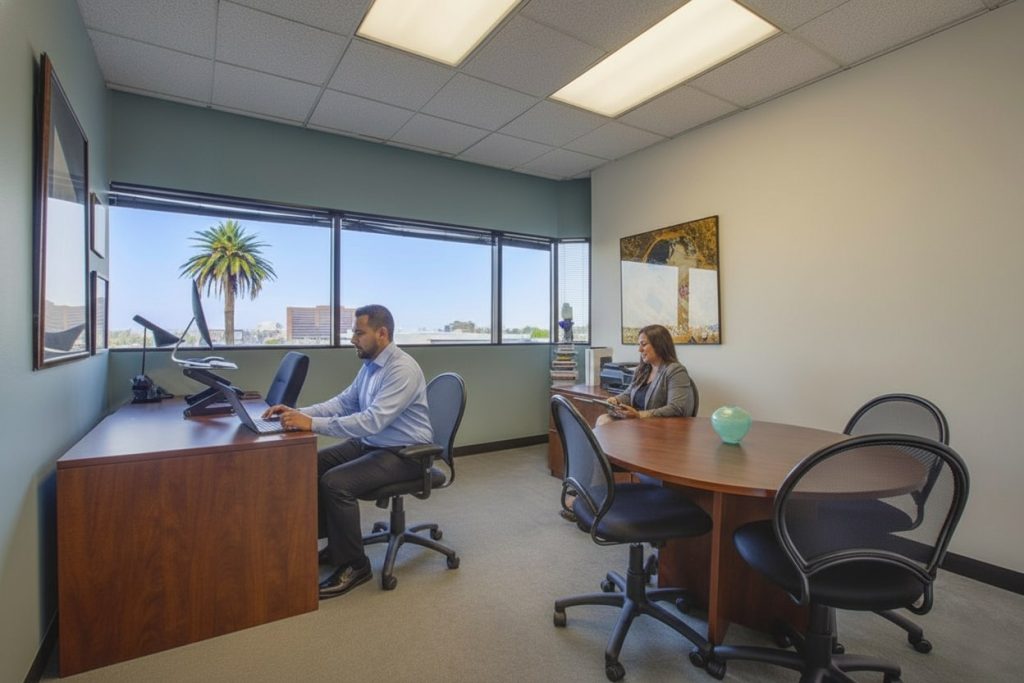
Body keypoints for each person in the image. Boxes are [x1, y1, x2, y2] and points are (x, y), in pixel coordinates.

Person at [263, 305, 433, 599]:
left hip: (406, 453)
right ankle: (337, 547)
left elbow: (372, 420)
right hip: (374, 442)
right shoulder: (370, 365)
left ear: (382, 334)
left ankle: (355, 565)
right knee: (312, 466)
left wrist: (311, 424)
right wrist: (297, 413)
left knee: (336, 482)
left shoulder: (401, 370)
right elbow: (343, 403)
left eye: (358, 332)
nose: (353, 339)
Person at [598, 324, 694, 426]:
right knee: (603, 420)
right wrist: (616, 400)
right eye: (639, 345)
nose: (639, 350)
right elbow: (629, 394)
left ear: (659, 345)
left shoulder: (675, 371)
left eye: (643, 344)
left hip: (658, 426)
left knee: (606, 423)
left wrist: (639, 415)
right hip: (637, 424)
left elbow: (676, 408)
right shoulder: (642, 370)